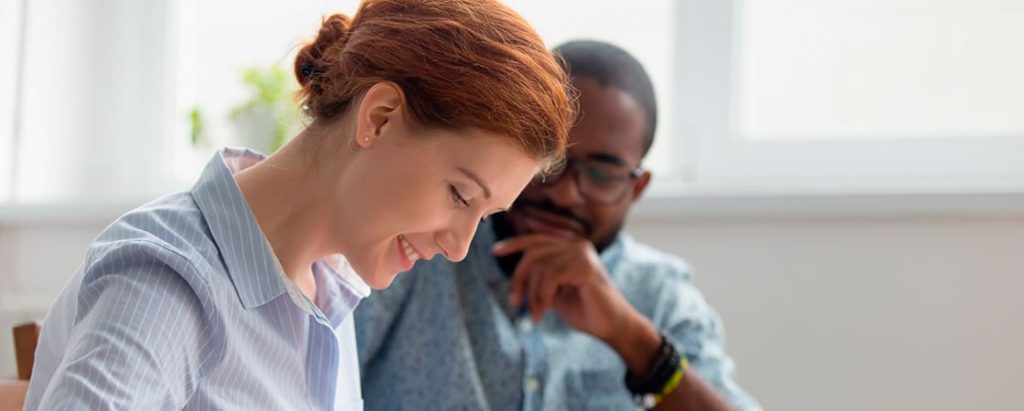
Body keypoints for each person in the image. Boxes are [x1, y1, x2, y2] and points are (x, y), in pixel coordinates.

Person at [23, 0, 574, 409]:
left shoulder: (327, 289)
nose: (458, 248)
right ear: (379, 118)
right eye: (460, 196)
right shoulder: (168, 283)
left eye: (483, 216)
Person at [355, 40, 762, 411]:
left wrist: (634, 341)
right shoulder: (417, 252)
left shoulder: (659, 295)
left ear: (636, 188)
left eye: (601, 174)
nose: (565, 195)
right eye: (551, 164)